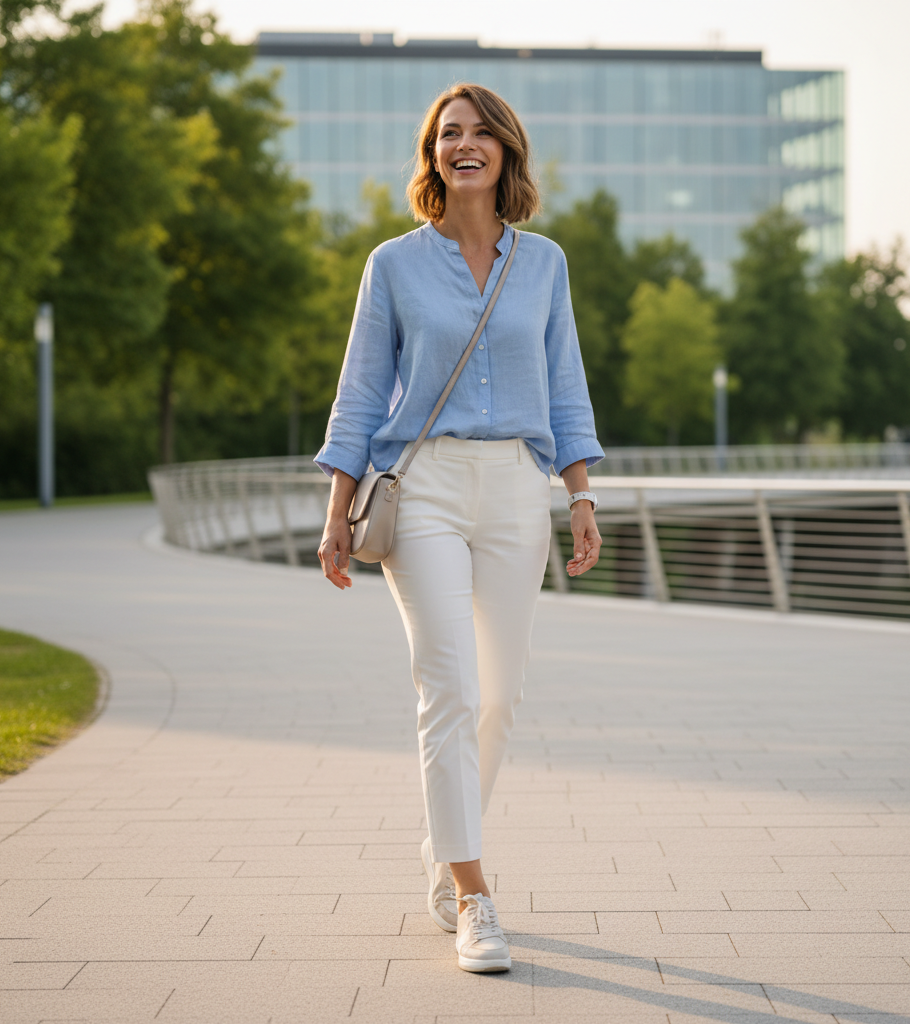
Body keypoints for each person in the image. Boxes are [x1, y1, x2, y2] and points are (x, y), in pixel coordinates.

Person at [315, 83, 603, 973]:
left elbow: (565, 384)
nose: (464, 145)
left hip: (518, 487)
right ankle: (476, 894)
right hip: (425, 486)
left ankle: (446, 857)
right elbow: (362, 394)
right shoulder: (393, 265)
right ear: (432, 156)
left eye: (481, 133)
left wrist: (581, 493)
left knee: (501, 697)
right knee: (448, 685)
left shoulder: (545, 263)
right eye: (449, 135)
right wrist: (335, 513)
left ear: (507, 151)